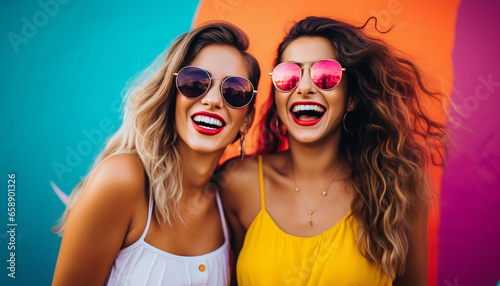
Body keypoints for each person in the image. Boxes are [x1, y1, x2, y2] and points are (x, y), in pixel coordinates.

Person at [218, 16, 446, 285]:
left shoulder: (397, 185)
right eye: (288, 76)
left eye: (326, 75)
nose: (303, 88)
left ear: (352, 98)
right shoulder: (236, 183)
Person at [52, 22, 260, 286]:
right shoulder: (123, 179)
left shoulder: (227, 203)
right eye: (195, 82)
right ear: (172, 94)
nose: (213, 100)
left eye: (234, 91)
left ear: (246, 120)